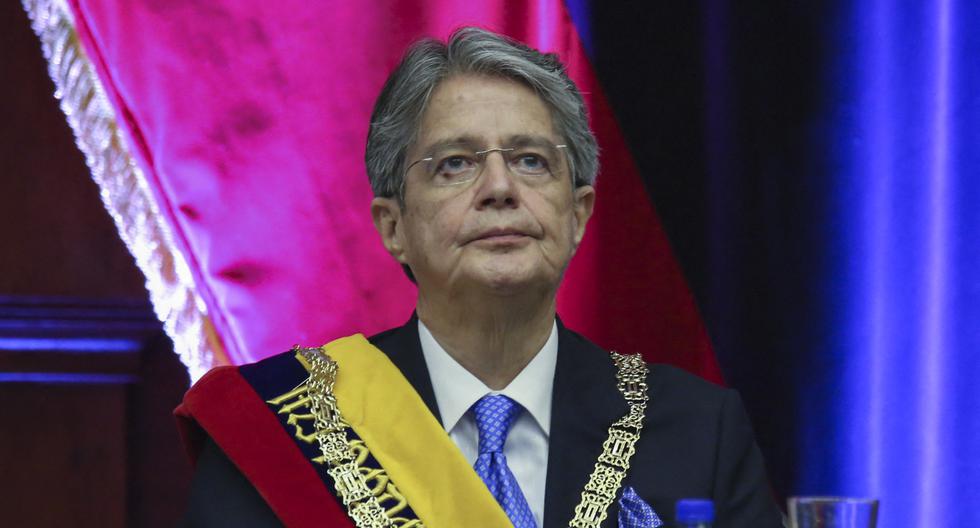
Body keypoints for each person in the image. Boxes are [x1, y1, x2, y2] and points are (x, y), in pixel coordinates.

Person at [177, 27, 784, 528]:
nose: (499, 189)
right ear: (394, 227)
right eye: (456, 165)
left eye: (531, 161)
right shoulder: (283, 436)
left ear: (577, 216)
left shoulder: (699, 432)